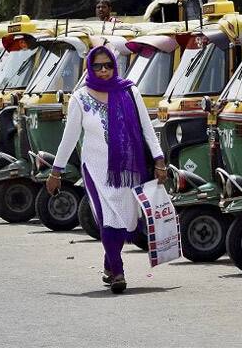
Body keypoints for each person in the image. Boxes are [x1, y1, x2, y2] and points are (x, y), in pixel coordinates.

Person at [46, 45, 166, 294]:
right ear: (90, 67)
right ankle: (118, 272)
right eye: (98, 66)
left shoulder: (129, 91)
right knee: (109, 218)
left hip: (127, 169)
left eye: (108, 65)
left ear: (115, 66)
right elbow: (69, 138)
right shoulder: (80, 98)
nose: (103, 70)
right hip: (96, 169)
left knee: (125, 220)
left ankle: (108, 265)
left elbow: (147, 128)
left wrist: (159, 160)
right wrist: (55, 171)